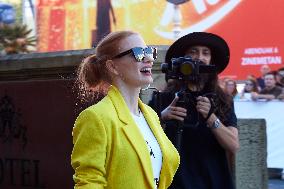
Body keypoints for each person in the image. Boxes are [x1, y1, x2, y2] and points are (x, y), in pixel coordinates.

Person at [71, 30, 180, 189]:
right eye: (138, 53)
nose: (149, 59)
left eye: (149, 51)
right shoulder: (95, 117)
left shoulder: (150, 115)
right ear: (112, 66)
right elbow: (89, 182)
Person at [149, 32, 239, 189]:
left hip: (214, 181)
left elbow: (233, 145)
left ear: (211, 61)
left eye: (206, 53)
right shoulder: (164, 98)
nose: (200, 57)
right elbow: (141, 137)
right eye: (193, 51)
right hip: (174, 182)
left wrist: (211, 118)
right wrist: (162, 117)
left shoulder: (222, 99)